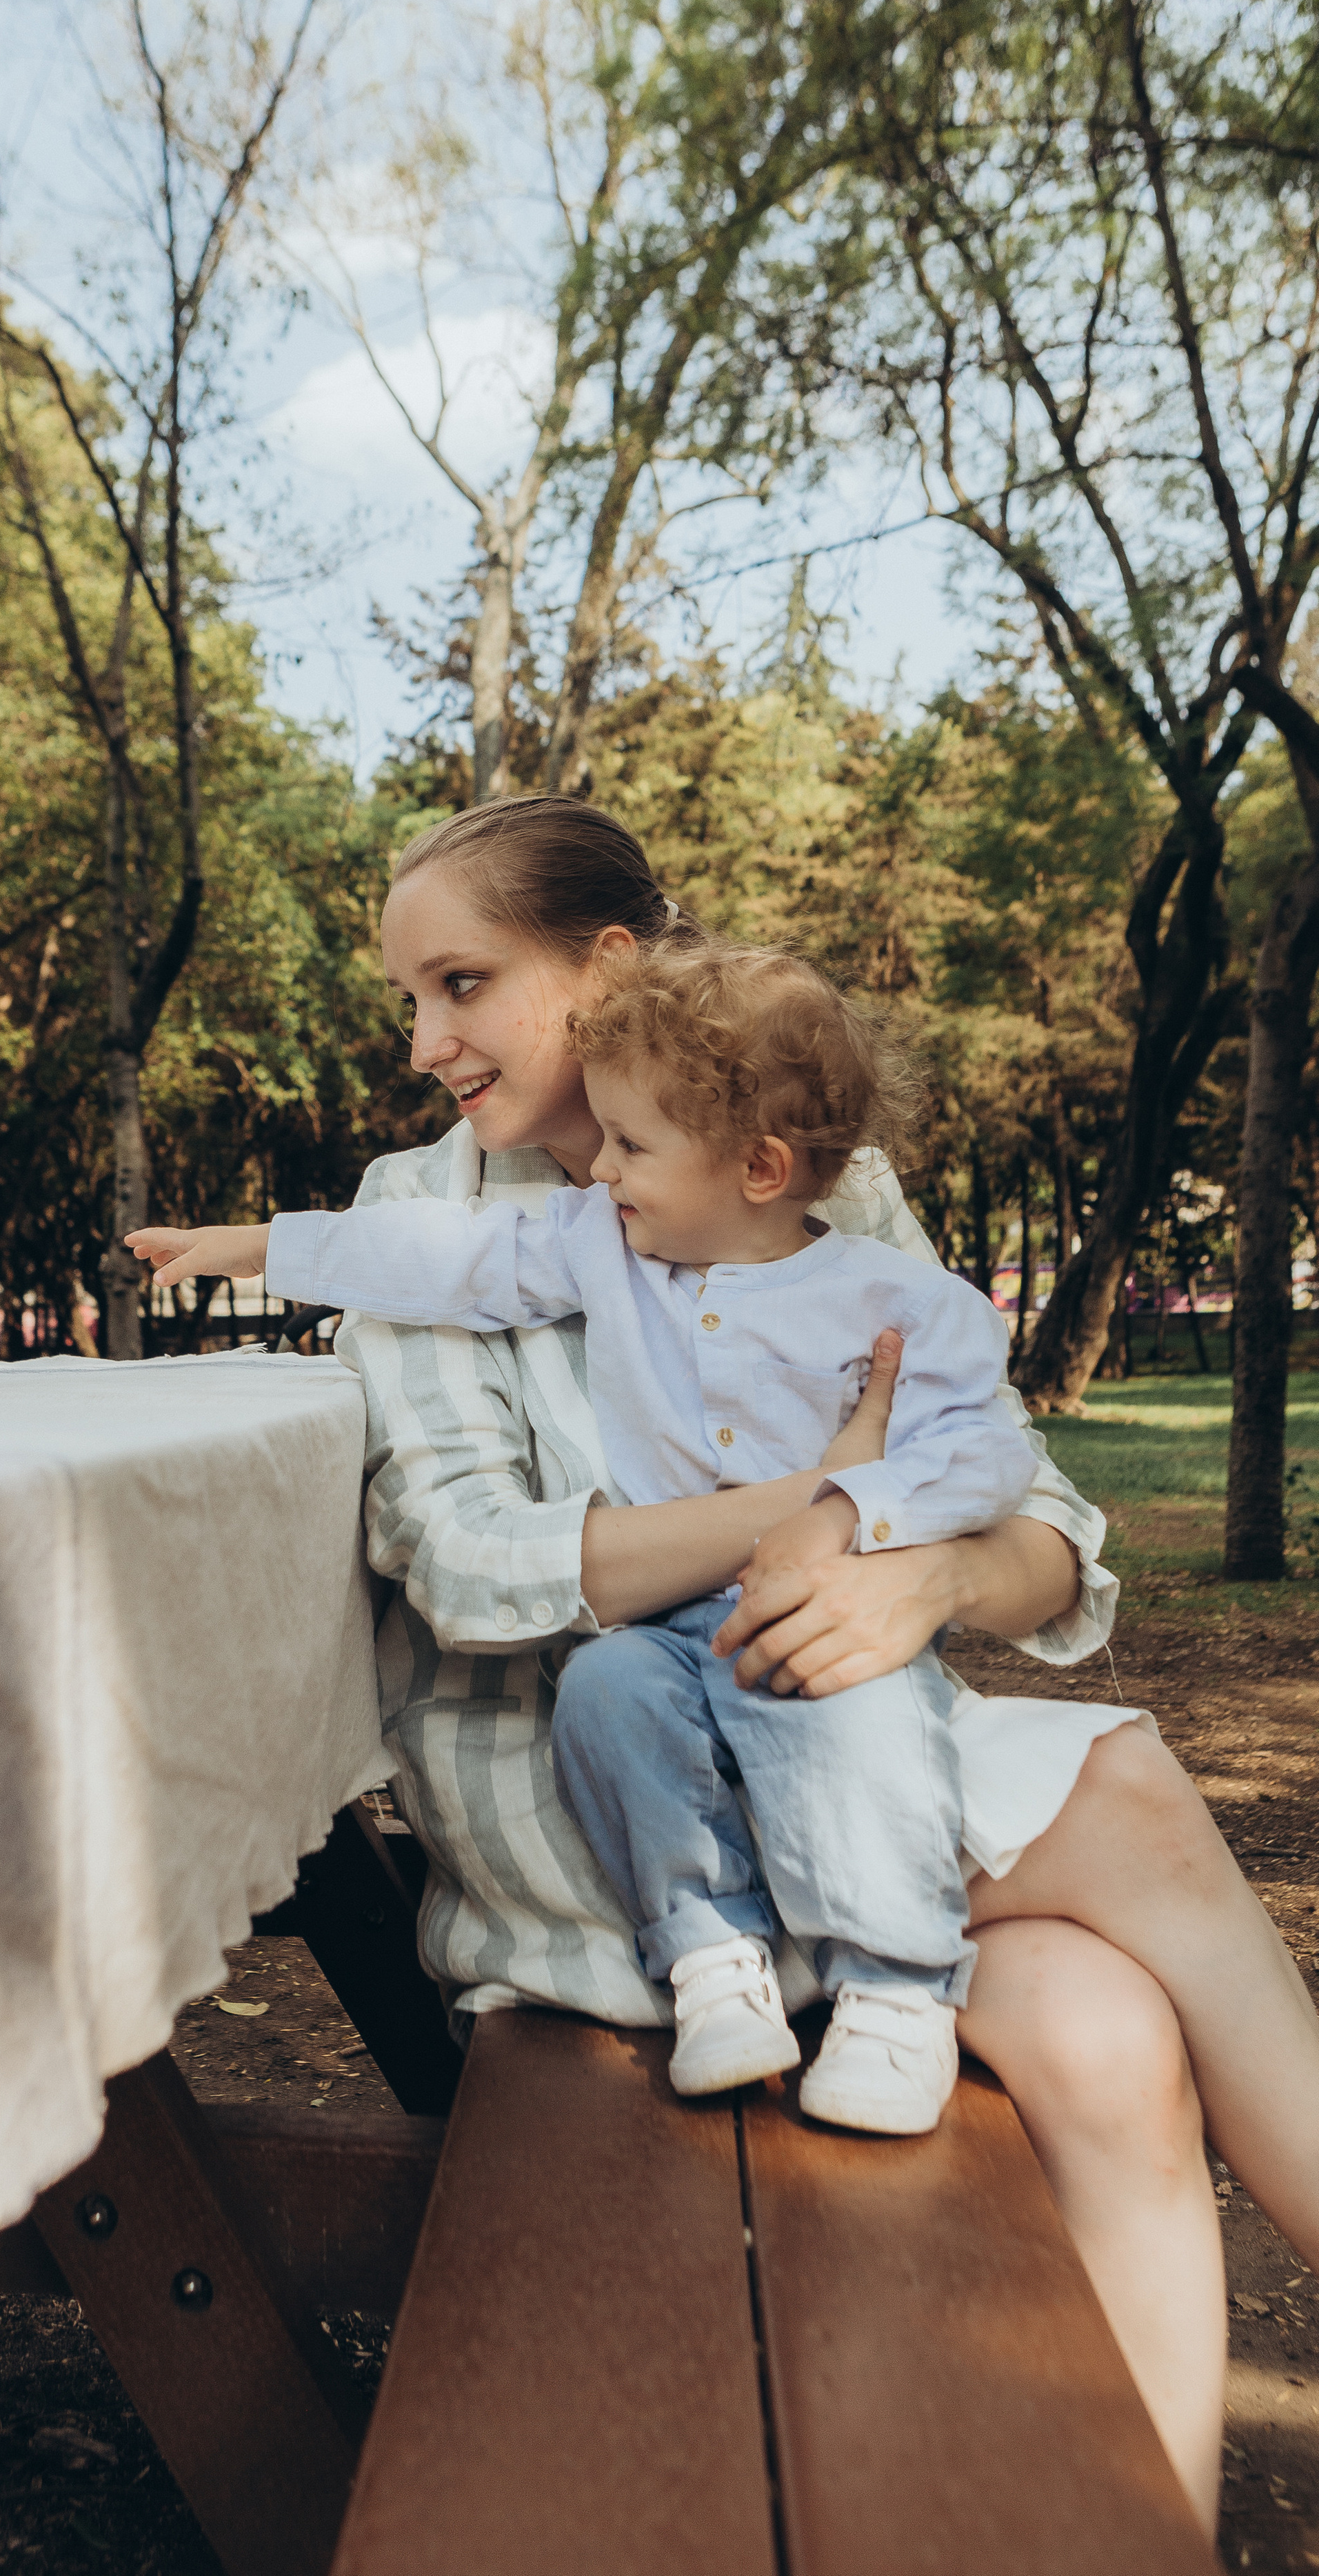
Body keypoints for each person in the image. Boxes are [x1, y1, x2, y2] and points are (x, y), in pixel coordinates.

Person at [152, 794, 1319, 2533]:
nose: (424, 1045)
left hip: (831, 1770)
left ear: (607, 964)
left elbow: (1047, 1530)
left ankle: (1152, 2536)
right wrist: (830, 1506)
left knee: (1105, 2034)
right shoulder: (425, 1222)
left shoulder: (822, 1189)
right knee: (1133, 1792)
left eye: (461, 983)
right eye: (409, 1000)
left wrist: (922, 1581)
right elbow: (475, 1567)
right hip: (612, 1843)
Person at [134, 935, 1050, 2133]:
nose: (601, 1171)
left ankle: (898, 1992)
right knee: (608, 1695)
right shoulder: (601, 1246)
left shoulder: (896, 1301)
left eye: (631, 1148)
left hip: (820, 1608)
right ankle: (713, 1956)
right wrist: (267, 1250)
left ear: (761, 1167)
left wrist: (844, 1514)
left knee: (853, 1719)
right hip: (667, 1626)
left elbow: (985, 1458)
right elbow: (446, 1259)